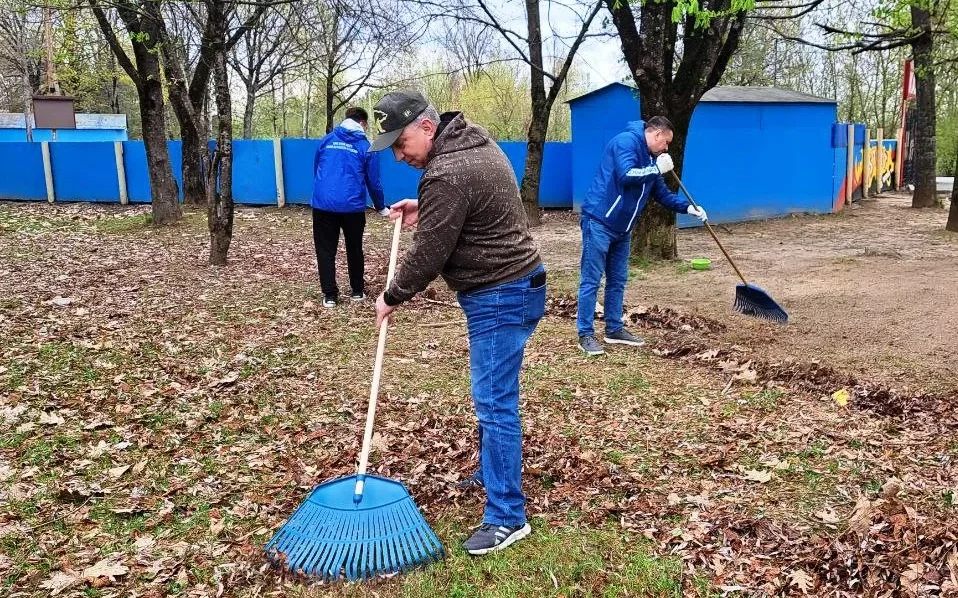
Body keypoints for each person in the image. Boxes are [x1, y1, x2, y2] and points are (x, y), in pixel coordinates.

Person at [369, 90, 546, 556]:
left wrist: (392, 295)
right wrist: (424, 206)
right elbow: (472, 201)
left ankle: (507, 516)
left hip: (500, 294)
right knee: (494, 396)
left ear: (427, 127)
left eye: (400, 143)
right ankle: (492, 472)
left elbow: (428, 254)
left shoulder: (446, 172)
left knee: (494, 402)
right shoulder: (473, 143)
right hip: (515, 284)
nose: (399, 155)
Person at [576, 117, 708, 356]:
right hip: (599, 221)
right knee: (591, 280)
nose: (666, 148)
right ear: (656, 134)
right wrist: (656, 169)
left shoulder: (650, 158)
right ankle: (585, 334)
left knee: (618, 280)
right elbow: (626, 175)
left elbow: (662, 194)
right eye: (665, 142)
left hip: (623, 228)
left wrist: (689, 208)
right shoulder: (625, 142)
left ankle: (613, 329)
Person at [311, 106, 388, 308]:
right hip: (352, 207)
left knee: (325, 250)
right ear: (363, 123)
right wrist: (381, 207)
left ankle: (330, 296)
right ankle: (357, 291)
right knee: (354, 248)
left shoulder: (327, 140)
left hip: (323, 205)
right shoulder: (366, 147)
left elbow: (317, 169)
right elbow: (374, 181)